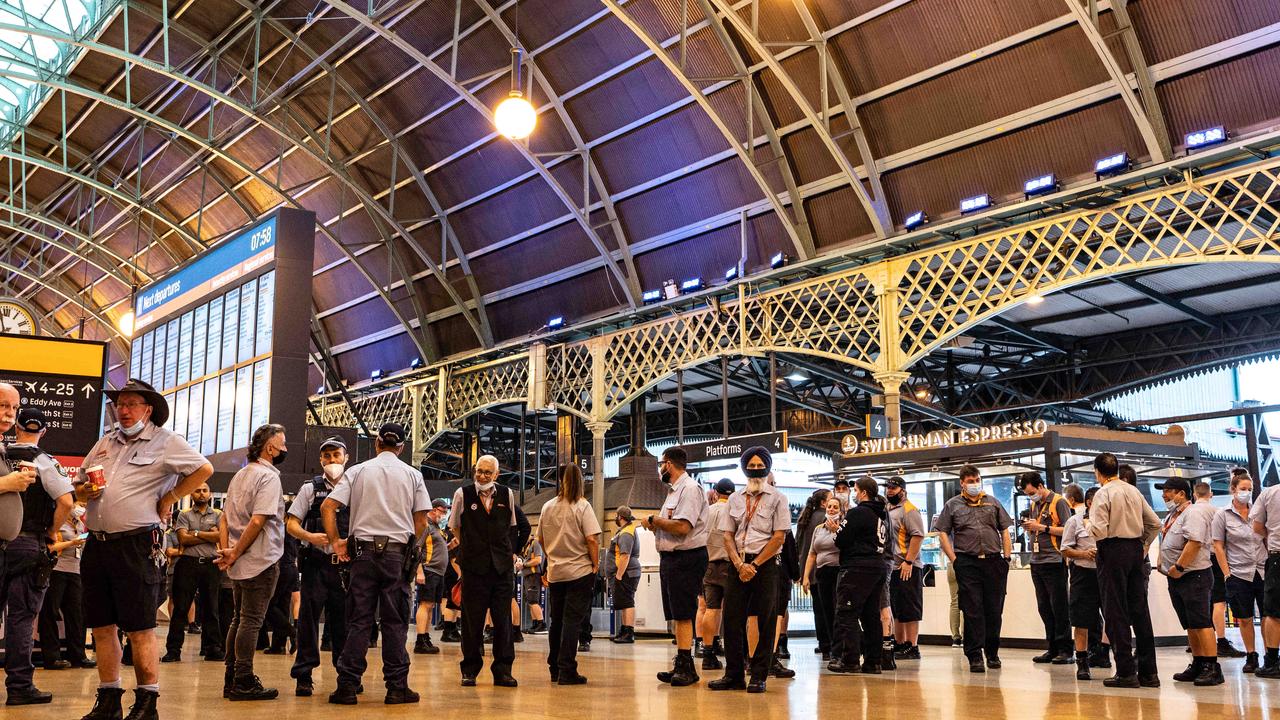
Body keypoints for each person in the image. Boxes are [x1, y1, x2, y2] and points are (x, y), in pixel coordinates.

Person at [77, 378, 213, 720]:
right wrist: (82, 492)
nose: (123, 410)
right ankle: (108, 698)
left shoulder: (166, 442)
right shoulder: (105, 443)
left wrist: (169, 497)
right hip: (98, 544)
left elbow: (203, 469)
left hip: (137, 544)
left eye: (132, 404)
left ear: (148, 409)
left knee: (140, 627)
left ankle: (147, 701)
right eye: (120, 404)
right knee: (102, 626)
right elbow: (80, 480)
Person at [322, 422, 430, 704]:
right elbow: (422, 521)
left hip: (362, 555)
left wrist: (336, 542)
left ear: (377, 443)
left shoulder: (357, 472)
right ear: (402, 448)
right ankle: (397, 687)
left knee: (359, 621)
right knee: (395, 622)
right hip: (396, 556)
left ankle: (347, 686)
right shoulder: (413, 474)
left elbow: (328, 507)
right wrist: (411, 549)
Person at [3, 406, 74, 705]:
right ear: (43, 431)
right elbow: (67, 503)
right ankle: (19, 687)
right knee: (21, 618)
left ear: (15, 426)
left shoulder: (3, 455)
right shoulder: (44, 460)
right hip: (28, 544)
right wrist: (50, 533)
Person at [215, 424, 288, 701]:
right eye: (282, 444)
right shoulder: (268, 478)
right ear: (270, 448)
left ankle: (231, 677)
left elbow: (224, 518)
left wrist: (227, 550)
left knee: (238, 619)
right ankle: (244, 679)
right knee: (251, 621)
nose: (285, 449)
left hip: (239, 561)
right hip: (259, 559)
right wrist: (234, 552)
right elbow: (259, 520)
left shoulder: (240, 475)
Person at [708, 446, 790, 694]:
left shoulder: (778, 498)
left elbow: (778, 538)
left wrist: (753, 565)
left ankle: (758, 675)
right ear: (744, 468)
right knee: (732, 620)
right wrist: (739, 563)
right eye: (751, 466)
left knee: (766, 620)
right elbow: (727, 535)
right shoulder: (734, 499)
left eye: (760, 465)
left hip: (764, 567)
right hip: (737, 565)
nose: (756, 470)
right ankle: (733, 674)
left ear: (767, 467)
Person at [1088, 451, 1162, 688]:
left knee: (1115, 610)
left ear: (1097, 472)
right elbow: (1155, 523)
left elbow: (1099, 531)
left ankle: (1126, 672)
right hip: (1134, 551)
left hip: (1112, 550)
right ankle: (1149, 673)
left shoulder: (1103, 493)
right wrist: (1144, 544)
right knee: (1140, 610)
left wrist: (1087, 526)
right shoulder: (1133, 490)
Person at [449, 454, 522, 688]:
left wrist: (509, 553)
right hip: (473, 568)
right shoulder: (463, 494)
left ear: (496, 475)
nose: (481, 476)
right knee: (472, 621)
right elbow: (455, 527)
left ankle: (503, 670)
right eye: (479, 471)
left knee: (503, 621)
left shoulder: (507, 494)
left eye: (487, 473)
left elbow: (512, 526)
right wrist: (470, 546)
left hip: (501, 569)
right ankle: (469, 669)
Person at [285, 437, 350, 696]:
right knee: (308, 621)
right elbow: (291, 523)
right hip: (316, 564)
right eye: (327, 456)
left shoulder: (355, 486)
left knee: (344, 623)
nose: (332, 461)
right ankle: (304, 675)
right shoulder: (310, 489)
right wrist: (310, 537)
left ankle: (347, 674)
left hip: (345, 567)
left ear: (346, 458)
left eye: (336, 455)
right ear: (321, 460)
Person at [933, 464, 1012, 674]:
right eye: (970, 481)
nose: (974, 484)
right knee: (972, 609)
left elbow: (1004, 528)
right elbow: (942, 532)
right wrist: (954, 559)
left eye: (977, 480)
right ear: (962, 483)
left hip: (994, 562)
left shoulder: (993, 502)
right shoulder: (952, 505)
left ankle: (992, 652)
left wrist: (1007, 557)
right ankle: (974, 655)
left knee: (994, 610)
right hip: (967, 562)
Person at [642, 446, 708, 687]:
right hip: (672, 559)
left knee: (683, 613)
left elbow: (682, 527)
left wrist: (654, 521)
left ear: (668, 464)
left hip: (686, 557)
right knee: (676, 613)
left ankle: (686, 667)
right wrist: (659, 524)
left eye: (661, 464)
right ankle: (682, 663)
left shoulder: (689, 489)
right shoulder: (673, 491)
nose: (660, 469)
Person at [1154, 477, 1222, 686]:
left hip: (1194, 576)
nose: (1164, 495)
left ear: (1181, 493)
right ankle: (1198, 662)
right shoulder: (1173, 514)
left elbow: (1194, 542)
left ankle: (1212, 667)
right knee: (1190, 624)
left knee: (1202, 622)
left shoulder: (1193, 513)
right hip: (1177, 578)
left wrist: (1180, 567)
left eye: (1168, 491)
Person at [538, 464, 601, 684]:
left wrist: (552, 557)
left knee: (556, 621)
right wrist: (595, 564)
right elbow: (592, 538)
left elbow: (541, 539)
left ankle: (554, 667)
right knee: (572, 621)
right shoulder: (583, 506)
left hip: (556, 572)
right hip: (579, 571)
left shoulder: (547, 506)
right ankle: (567, 669)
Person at [826, 475, 889, 675]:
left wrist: (837, 532)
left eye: (855, 490)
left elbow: (841, 540)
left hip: (856, 568)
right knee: (871, 616)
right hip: (877, 567)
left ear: (863, 492)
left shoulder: (857, 513)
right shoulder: (880, 516)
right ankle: (873, 661)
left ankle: (850, 660)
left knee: (847, 613)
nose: (853, 494)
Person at [1212, 470, 1266, 673]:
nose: (1247, 493)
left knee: (1269, 616)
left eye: (1250, 489)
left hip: (1261, 570)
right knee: (1244, 617)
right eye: (1243, 489)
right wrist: (1227, 573)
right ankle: (1252, 654)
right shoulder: (1222, 515)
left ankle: (1272, 653)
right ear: (1233, 490)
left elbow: (1267, 537)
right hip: (1238, 573)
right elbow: (1218, 546)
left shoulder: (1258, 512)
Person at [163, 482, 223, 663]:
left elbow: (220, 536)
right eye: (197, 490)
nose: (202, 494)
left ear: (210, 494)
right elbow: (182, 538)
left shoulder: (219, 515)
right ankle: (173, 650)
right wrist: (207, 534)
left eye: (205, 490)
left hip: (211, 565)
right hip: (187, 565)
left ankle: (212, 648)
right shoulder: (183, 514)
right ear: (192, 493)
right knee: (181, 608)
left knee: (211, 608)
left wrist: (195, 533)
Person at [1017, 471, 1074, 664]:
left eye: (1032, 492)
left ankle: (1066, 650)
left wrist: (1043, 528)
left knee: (1059, 607)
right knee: (1044, 607)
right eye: (1027, 494)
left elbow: (1069, 529)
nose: (1030, 496)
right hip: (1037, 561)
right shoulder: (1035, 504)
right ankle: (1052, 647)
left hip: (1055, 561)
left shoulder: (1059, 502)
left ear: (1040, 486)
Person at [39, 500, 93, 671]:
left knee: (76, 614)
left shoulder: (80, 524)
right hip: (56, 570)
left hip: (75, 571)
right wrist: (72, 543)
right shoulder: (55, 522)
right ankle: (52, 657)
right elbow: (50, 547)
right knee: (50, 612)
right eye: (79, 503)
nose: (81, 507)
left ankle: (78, 655)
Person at [1195, 480, 1244, 660]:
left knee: (1203, 601)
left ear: (1194, 494)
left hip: (1198, 561)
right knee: (1219, 601)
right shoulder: (1217, 512)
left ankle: (1200, 640)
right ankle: (1221, 641)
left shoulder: (1190, 512)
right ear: (1211, 495)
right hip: (1215, 559)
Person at [1061, 486, 1104, 680]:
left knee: (1113, 616)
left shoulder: (1108, 520)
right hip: (1082, 574)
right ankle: (1082, 662)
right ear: (1089, 502)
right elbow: (1065, 550)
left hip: (1105, 574)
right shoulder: (1074, 521)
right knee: (1081, 620)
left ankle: (1108, 654)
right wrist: (1084, 554)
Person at [884, 476, 924, 660]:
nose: (890, 491)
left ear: (903, 490)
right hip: (892, 566)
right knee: (896, 607)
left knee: (910, 607)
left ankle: (912, 645)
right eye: (888, 488)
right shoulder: (887, 509)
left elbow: (917, 536)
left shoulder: (909, 509)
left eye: (894, 488)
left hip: (908, 565)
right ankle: (899, 643)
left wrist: (909, 562)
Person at [698, 478, 735, 669]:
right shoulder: (734, 511)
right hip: (730, 566)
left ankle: (708, 655)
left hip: (709, 565)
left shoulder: (707, 511)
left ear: (716, 492)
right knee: (733, 612)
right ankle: (735, 654)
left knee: (711, 609)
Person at [803, 496, 841, 663]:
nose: (831, 509)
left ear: (840, 510)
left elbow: (847, 546)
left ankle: (838, 647)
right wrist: (805, 576)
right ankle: (826, 646)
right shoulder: (818, 529)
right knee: (824, 610)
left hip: (838, 572)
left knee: (837, 610)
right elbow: (812, 553)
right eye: (829, 507)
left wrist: (838, 531)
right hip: (822, 573)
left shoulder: (844, 527)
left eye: (835, 507)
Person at [1251, 470, 1280, 678]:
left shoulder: (1270, 493)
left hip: (1278, 556)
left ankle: (1272, 661)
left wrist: (1272, 535)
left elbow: (1257, 526)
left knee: (1273, 611)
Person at [413, 498, 450, 655]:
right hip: (428, 570)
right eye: (443, 511)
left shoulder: (436, 528)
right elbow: (416, 547)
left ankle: (426, 637)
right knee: (425, 604)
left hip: (438, 572)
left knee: (431, 605)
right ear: (434, 510)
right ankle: (420, 640)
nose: (445, 515)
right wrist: (419, 571)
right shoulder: (425, 525)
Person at [605, 505, 641, 644]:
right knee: (624, 602)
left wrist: (619, 575)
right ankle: (625, 630)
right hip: (625, 572)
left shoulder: (626, 533)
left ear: (620, 517)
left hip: (626, 573)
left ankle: (629, 632)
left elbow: (625, 556)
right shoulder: (625, 531)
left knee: (627, 602)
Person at [517, 533, 545, 636]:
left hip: (533, 576)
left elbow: (538, 560)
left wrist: (524, 564)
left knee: (533, 601)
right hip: (527, 576)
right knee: (529, 601)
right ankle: (535, 624)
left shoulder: (536, 542)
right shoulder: (527, 545)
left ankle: (541, 624)